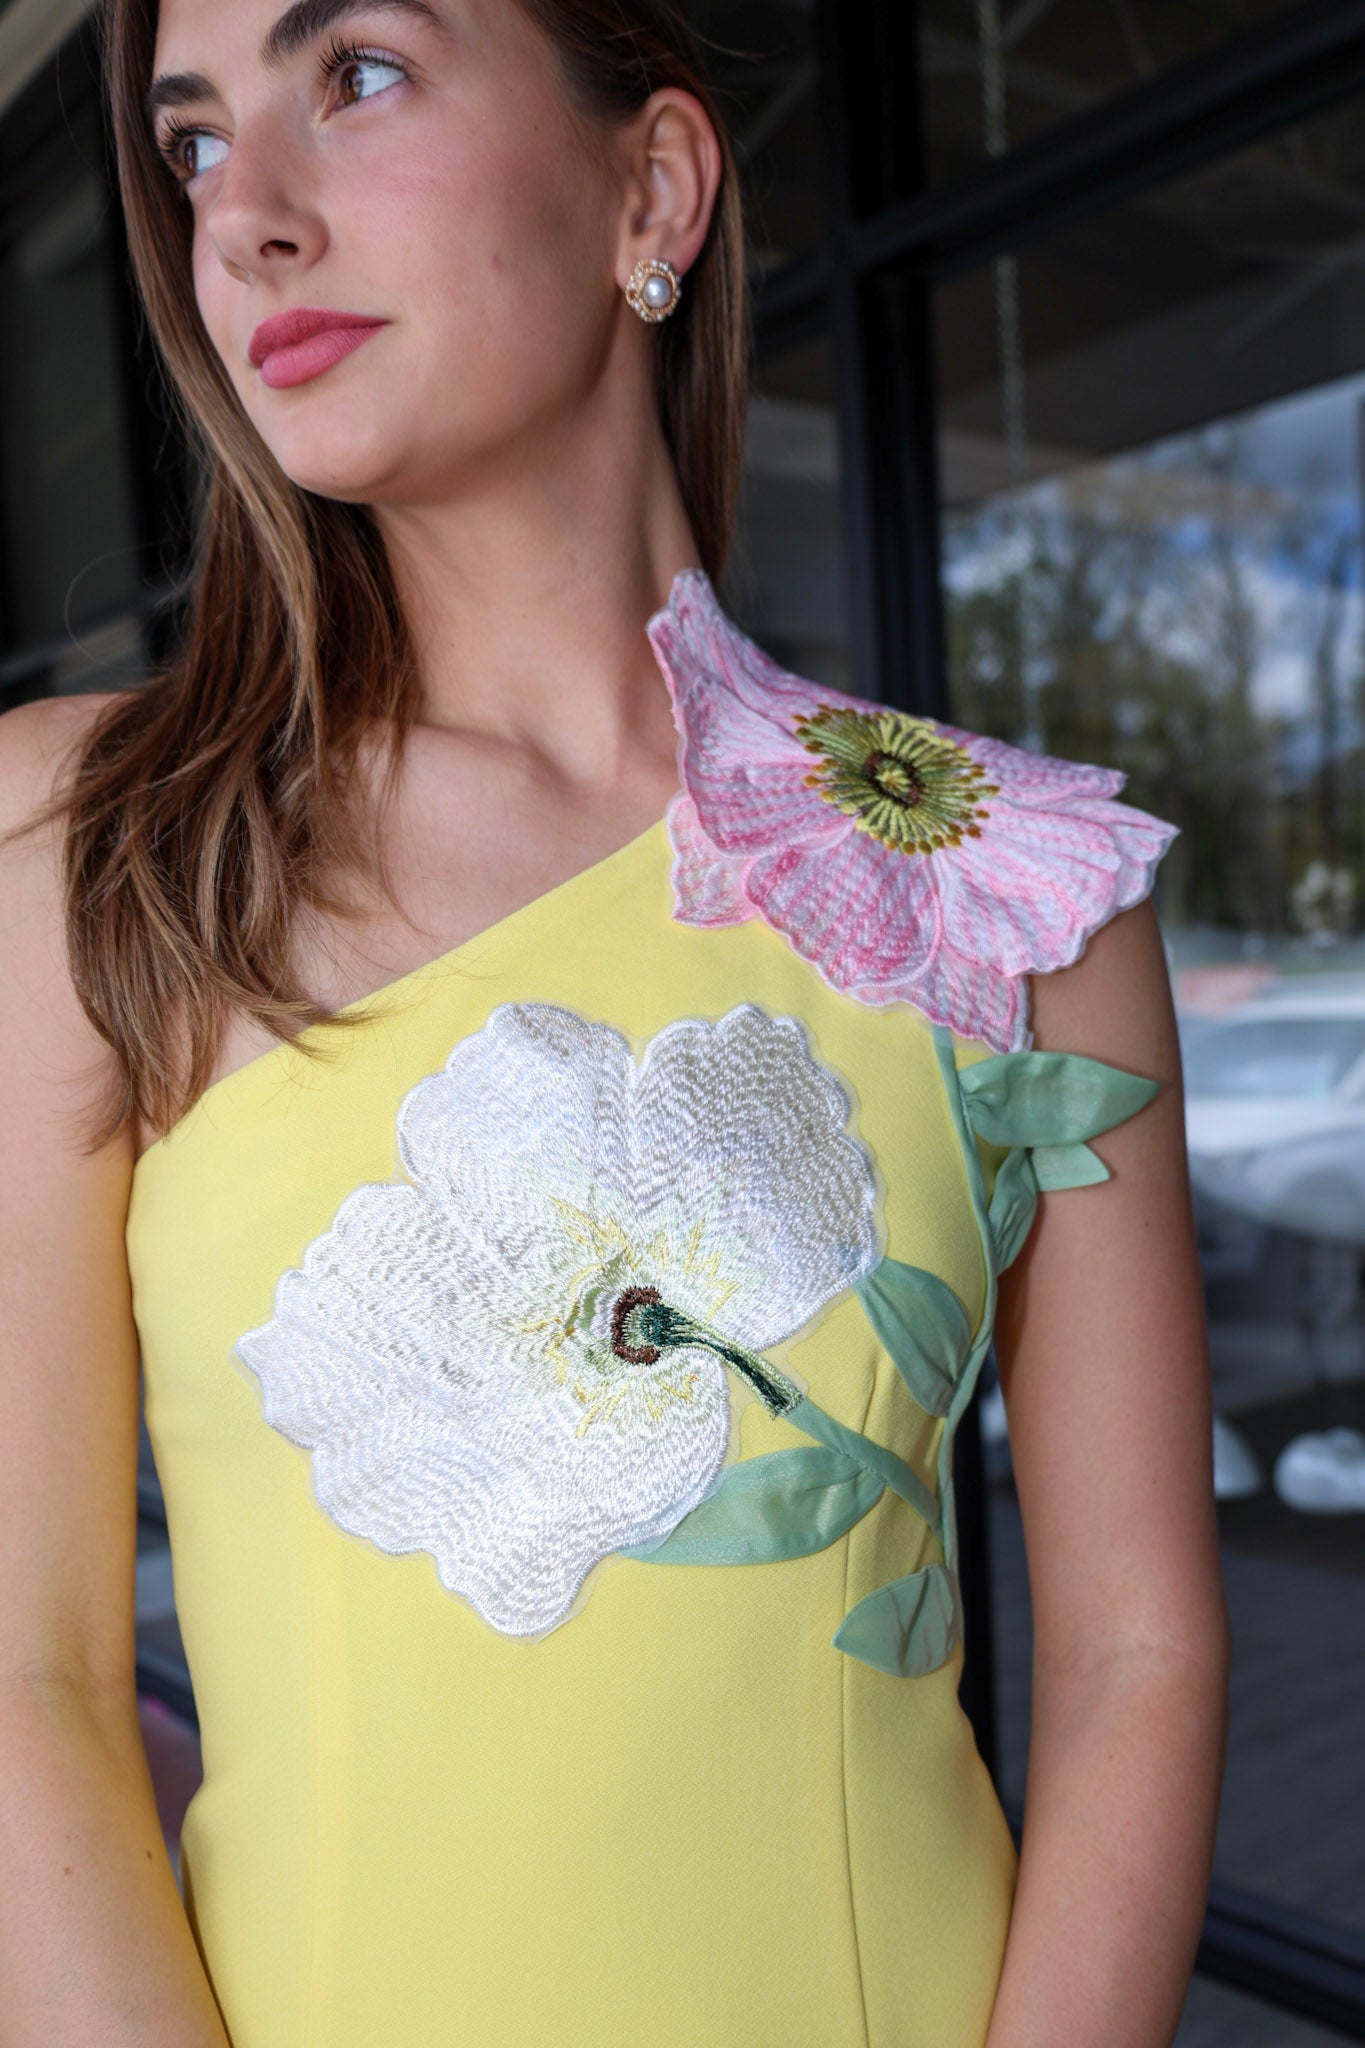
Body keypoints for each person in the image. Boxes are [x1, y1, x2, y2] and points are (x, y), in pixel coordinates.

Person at [0, 2, 1230, 2043]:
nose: (243, 219)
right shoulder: (92, 841)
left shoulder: (1008, 885)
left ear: (647, 187)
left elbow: (1135, 1661)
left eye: (355, 75)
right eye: (195, 142)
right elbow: (28, 1682)